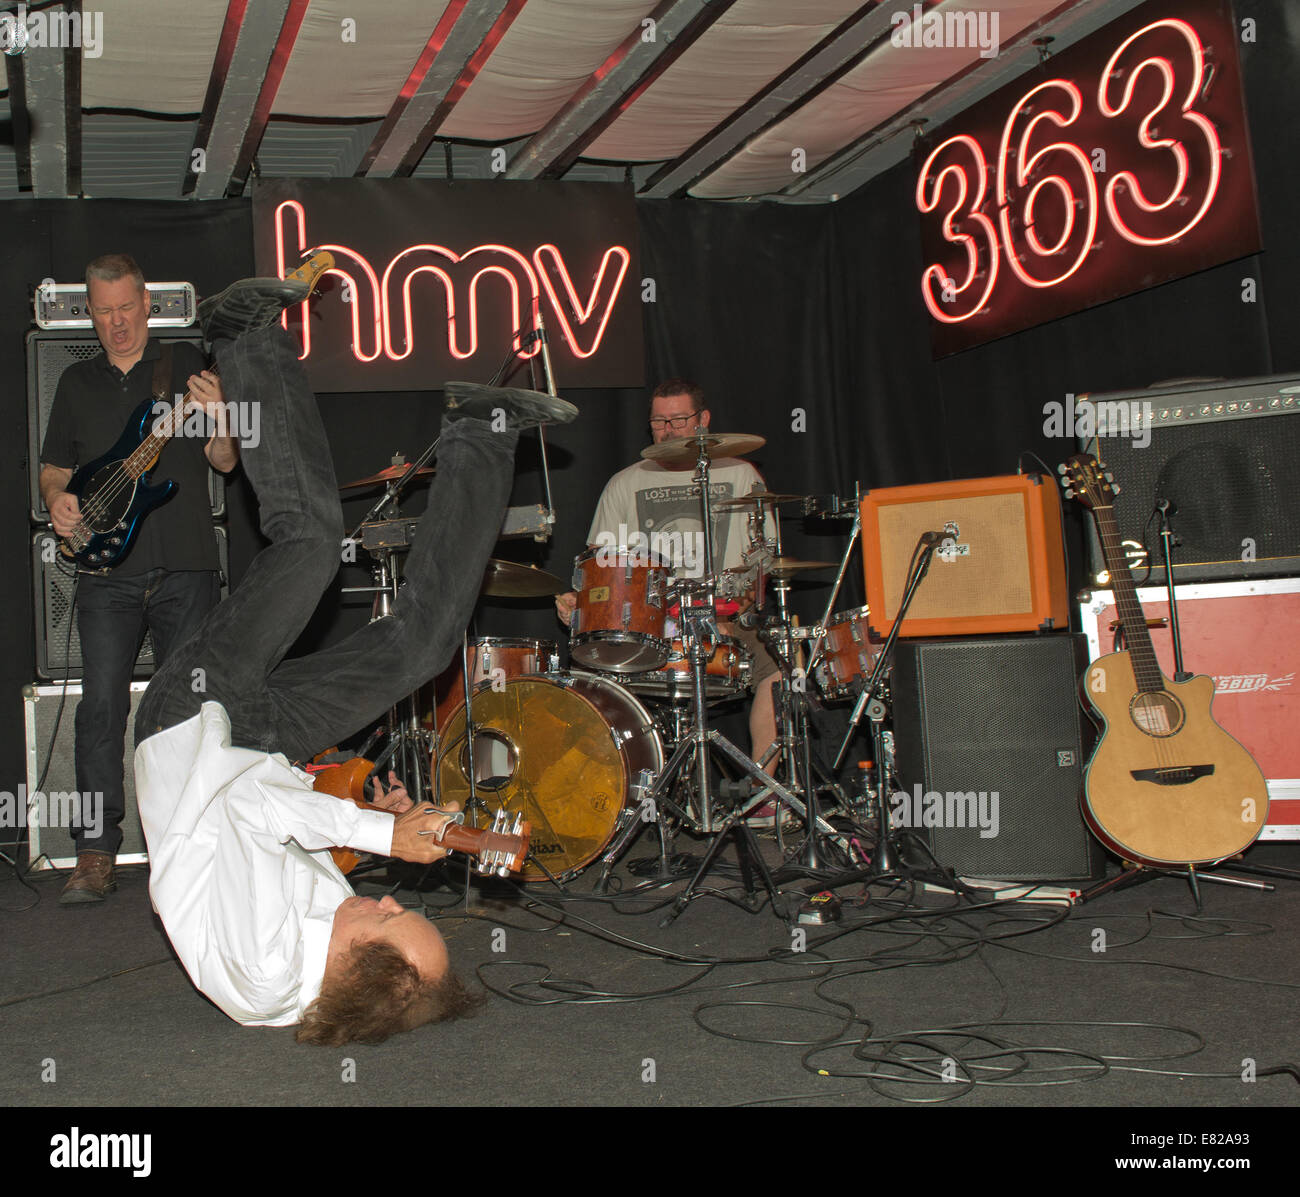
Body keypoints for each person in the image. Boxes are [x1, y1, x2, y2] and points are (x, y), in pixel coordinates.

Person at [133, 275, 577, 1045]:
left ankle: (242, 337)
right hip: (256, 742)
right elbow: (285, 825)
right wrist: (388, 818)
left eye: (393, 921)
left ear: (353, 967)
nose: (396, 901)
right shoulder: (319, 945)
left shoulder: (261, 965)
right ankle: (481, 429)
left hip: (190, 723)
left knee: (309, 548)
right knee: (423, 646)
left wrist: (378, 837)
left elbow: (245, 809)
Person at [39, 253, 237, 904]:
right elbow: (52, 471)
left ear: (147, 302)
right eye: (103, 312)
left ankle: (191, 841)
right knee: (100, 708)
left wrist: (226, 421)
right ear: (88, 312)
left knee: (191, 710)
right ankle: (96, 853)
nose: (117, 323)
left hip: (185, 561)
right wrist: (59, 502)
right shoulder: (74, 383)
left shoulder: (186, 364)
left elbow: (224, 461)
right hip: (105, 571)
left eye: (127, 308)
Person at [555, 380, 780, 780]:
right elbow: (600, 568)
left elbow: (761, 567)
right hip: (649, 621)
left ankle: (763, 790)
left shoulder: (742, 475)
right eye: (659, 421)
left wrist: (732, 610)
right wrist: (580, 600)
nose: (669, 429)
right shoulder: (625, 483)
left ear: (703, 420)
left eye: (679, 419)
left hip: (725, 615)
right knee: (586, 664)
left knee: (781, 667)